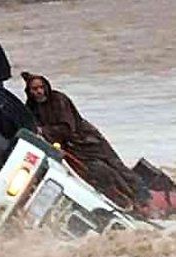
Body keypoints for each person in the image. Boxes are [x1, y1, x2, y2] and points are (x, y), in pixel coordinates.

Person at [21, 71, 145, 210]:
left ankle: (143, 198)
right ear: (29, 91)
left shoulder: (59, 100)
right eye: (34, 89)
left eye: (41, 88)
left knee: (116, 166)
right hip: (71, 150)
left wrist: (44, 131)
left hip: (87, 141)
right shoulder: (31, 107)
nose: (39, 92)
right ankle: (122, 203)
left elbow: (67, 128)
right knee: (97, 174)